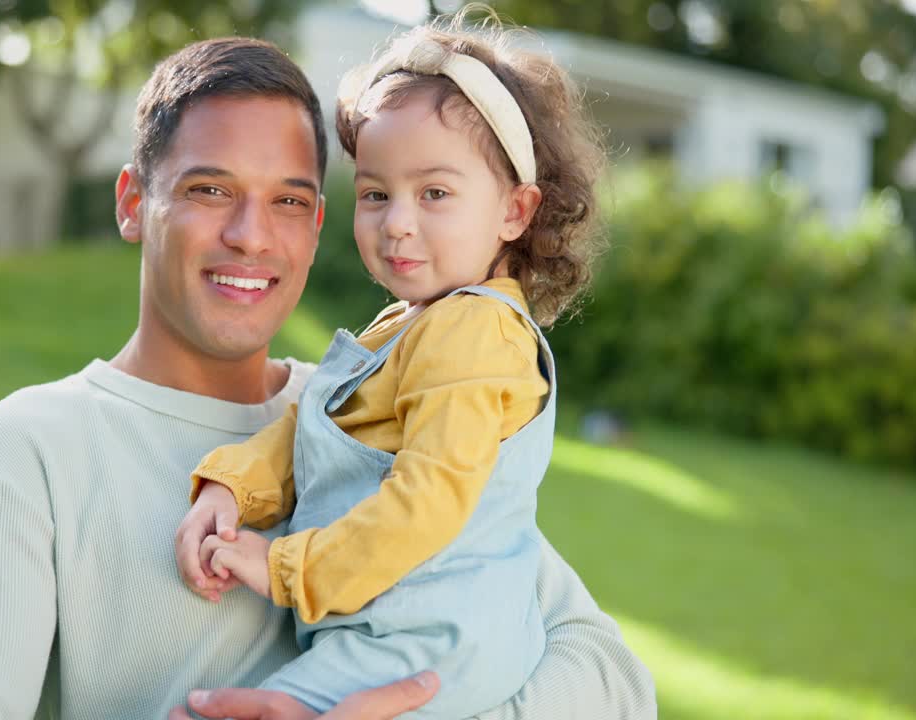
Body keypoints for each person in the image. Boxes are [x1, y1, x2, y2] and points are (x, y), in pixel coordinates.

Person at [0, 34, 656, 720]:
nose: (251, 236)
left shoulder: (386, 416)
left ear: (317, 223)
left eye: (288, 201)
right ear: (132, 203)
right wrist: (229, 487)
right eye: (209, 189)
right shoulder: (21, 457)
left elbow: (617, 685)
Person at [174, 17, 608, 718]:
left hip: (423, 644)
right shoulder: (416, 320)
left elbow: (425, 504)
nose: (397, 222)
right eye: (376, 194)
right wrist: (233, 488)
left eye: (434, 193)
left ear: (515, 210)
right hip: (395, 633)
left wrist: (284, 566)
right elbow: (317, 428)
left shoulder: (474, 331)